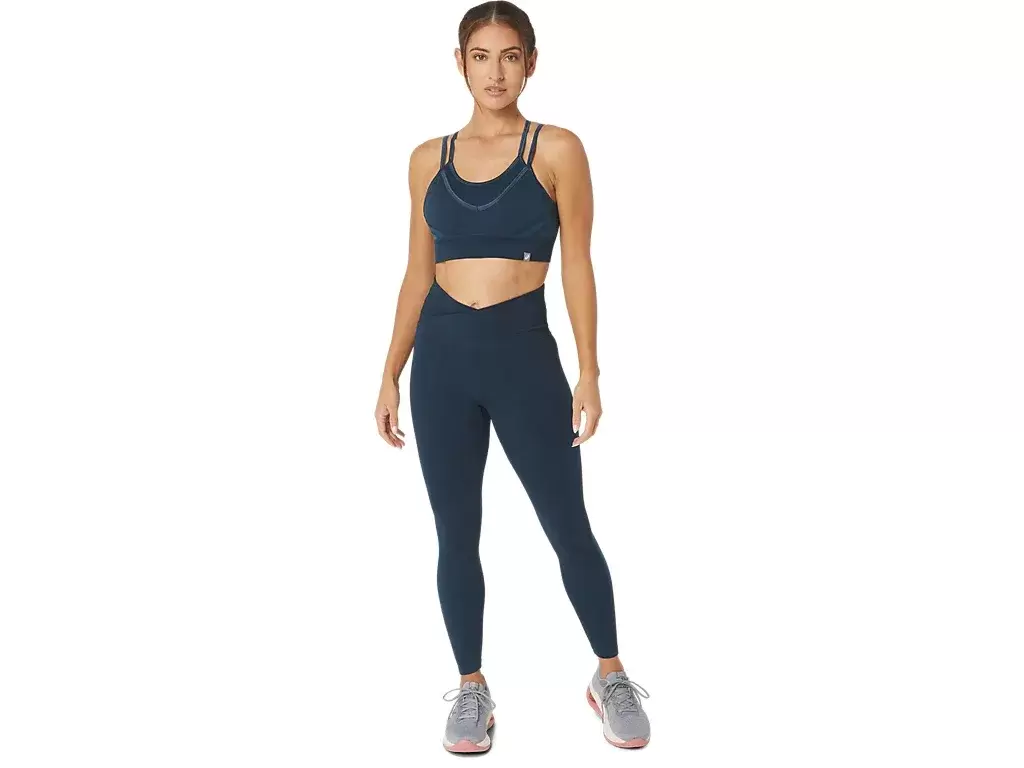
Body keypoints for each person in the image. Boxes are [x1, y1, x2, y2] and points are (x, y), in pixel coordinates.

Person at [374, 1, 651, 753]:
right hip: (442, 361)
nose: (494, 72)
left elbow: (580, 265)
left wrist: (590, 372)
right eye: (480, 56)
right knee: (455, 533)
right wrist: (390, 371)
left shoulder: (557, 149)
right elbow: (416, 273)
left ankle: (610, 673)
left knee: (569, 526)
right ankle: (471, 687)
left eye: (509, 56)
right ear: (459, 63)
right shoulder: (426, 159)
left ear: (530, 62)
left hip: (524, 357)